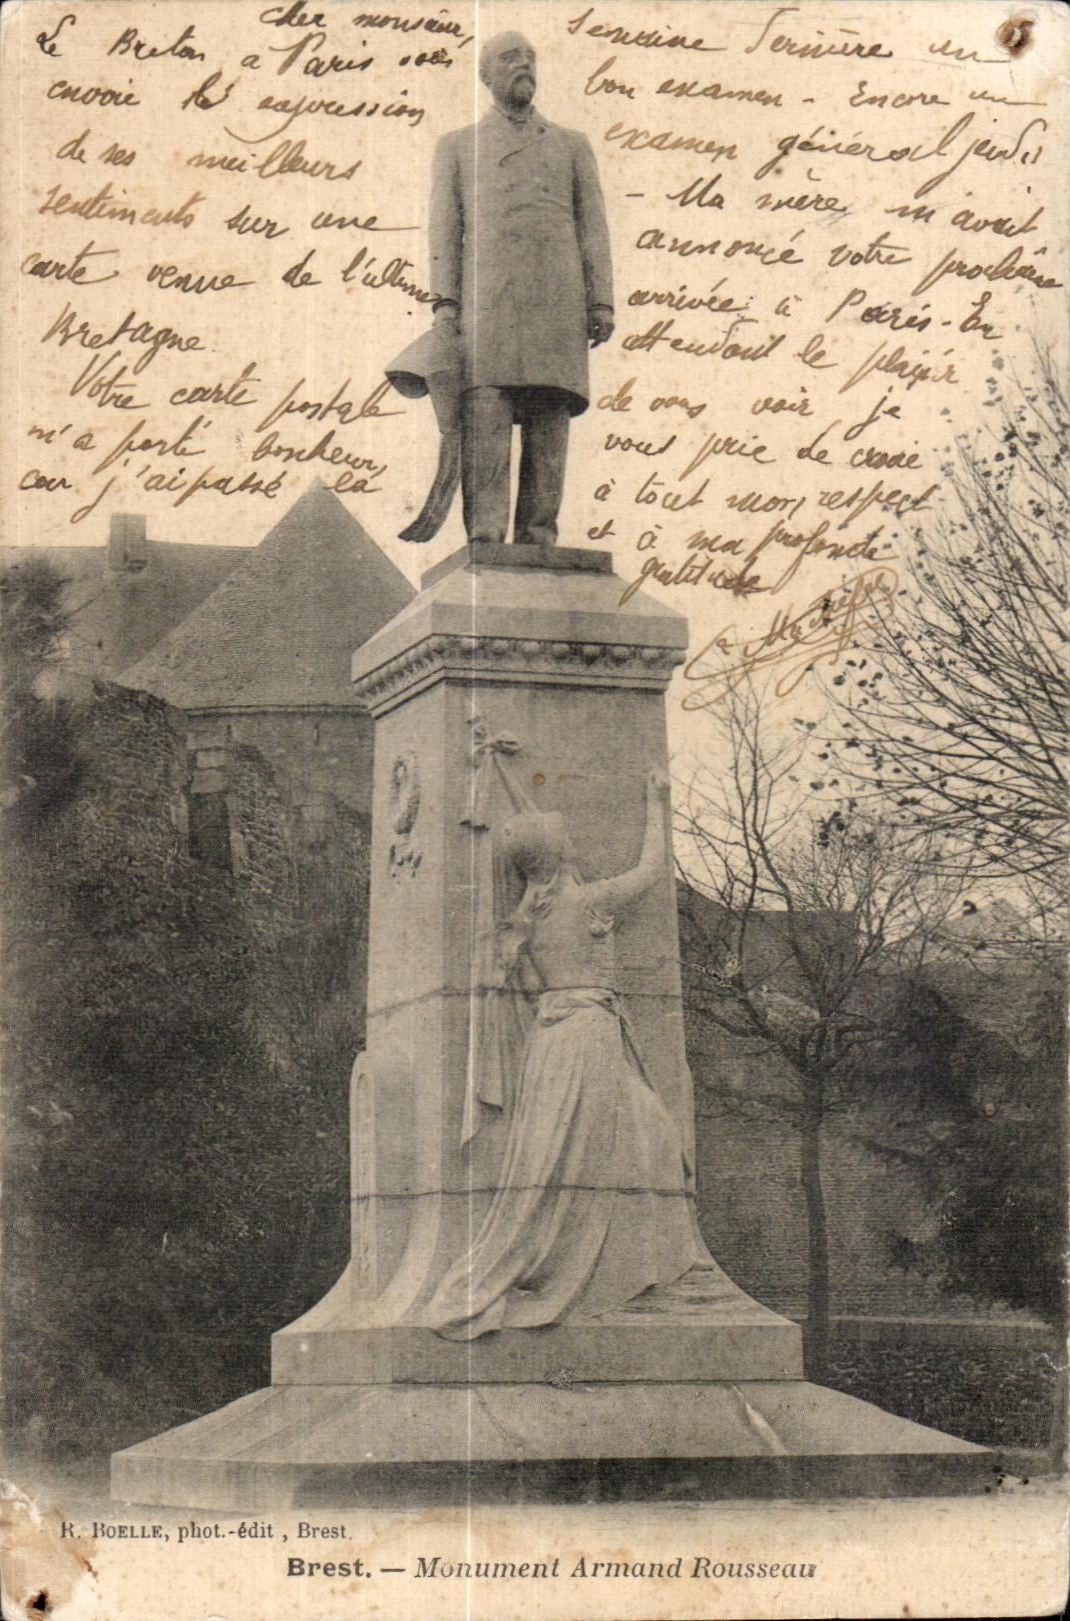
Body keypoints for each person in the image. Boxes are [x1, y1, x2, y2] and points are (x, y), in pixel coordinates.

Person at [427, 768, 714, 1340]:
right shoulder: (587, 902)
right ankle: (624, 1268)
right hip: (587, 1034)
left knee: (617, 1141)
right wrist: (657, 802)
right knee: (628, 1141)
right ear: (559, 853)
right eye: (567, 840)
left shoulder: (527, 922)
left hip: (554, 1040)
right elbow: (654, 870)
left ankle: (657, 1263)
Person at [428, 30, 614, 546]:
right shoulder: (458, 147)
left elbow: (592, 226)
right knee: (485, 415)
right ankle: (485, 538)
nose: (524, 65)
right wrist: (445, 304)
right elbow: (444, 231)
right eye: (511, 58)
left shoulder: (571, 145)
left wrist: (600, 299)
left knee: (550, 419)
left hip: (558, 305)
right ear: (487, 75)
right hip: (487, 307)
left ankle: (539, 537)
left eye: (531, 57)